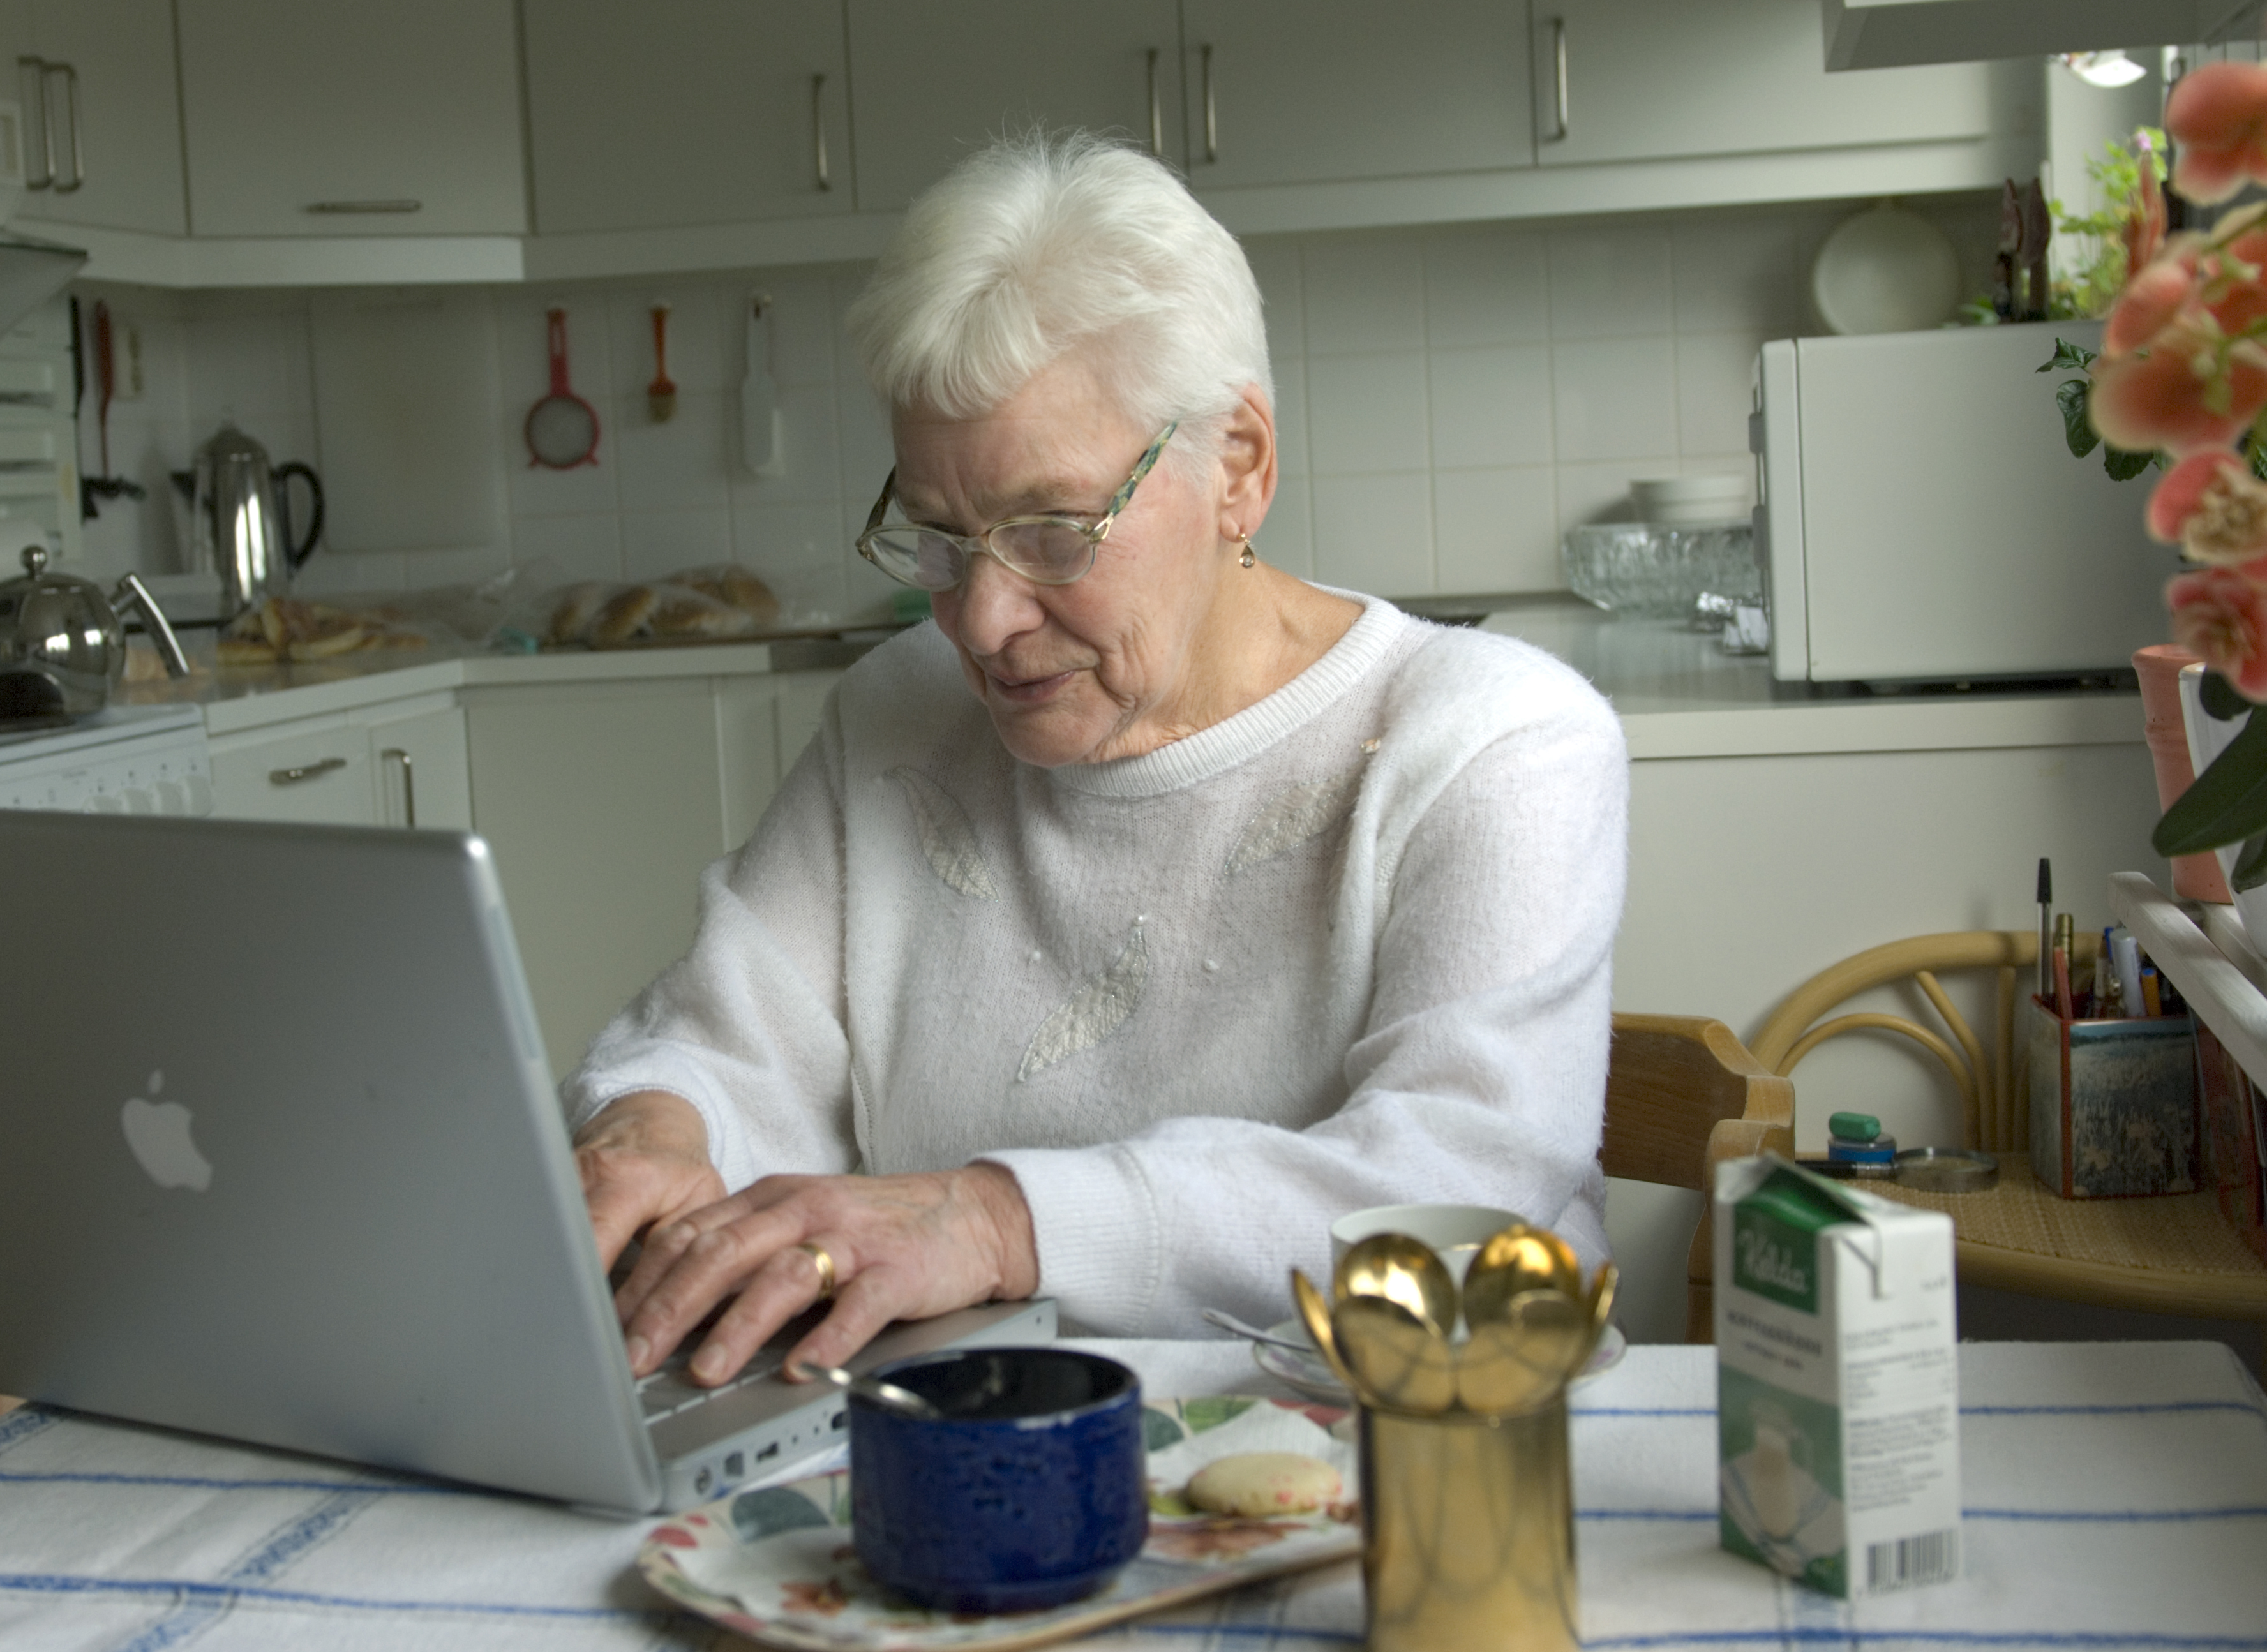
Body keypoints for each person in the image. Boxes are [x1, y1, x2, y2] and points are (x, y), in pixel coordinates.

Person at [564, 131, 1627, 1389]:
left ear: (1236, 465)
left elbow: (1461, 1191)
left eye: (1053, 531)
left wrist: (998, 1220)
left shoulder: (1492, 739)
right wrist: (652, 1129)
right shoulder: (898, 713)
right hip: (980, 1438)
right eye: (940, 536)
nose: (979, 619)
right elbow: (725, 1039)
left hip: (1423, 1457)